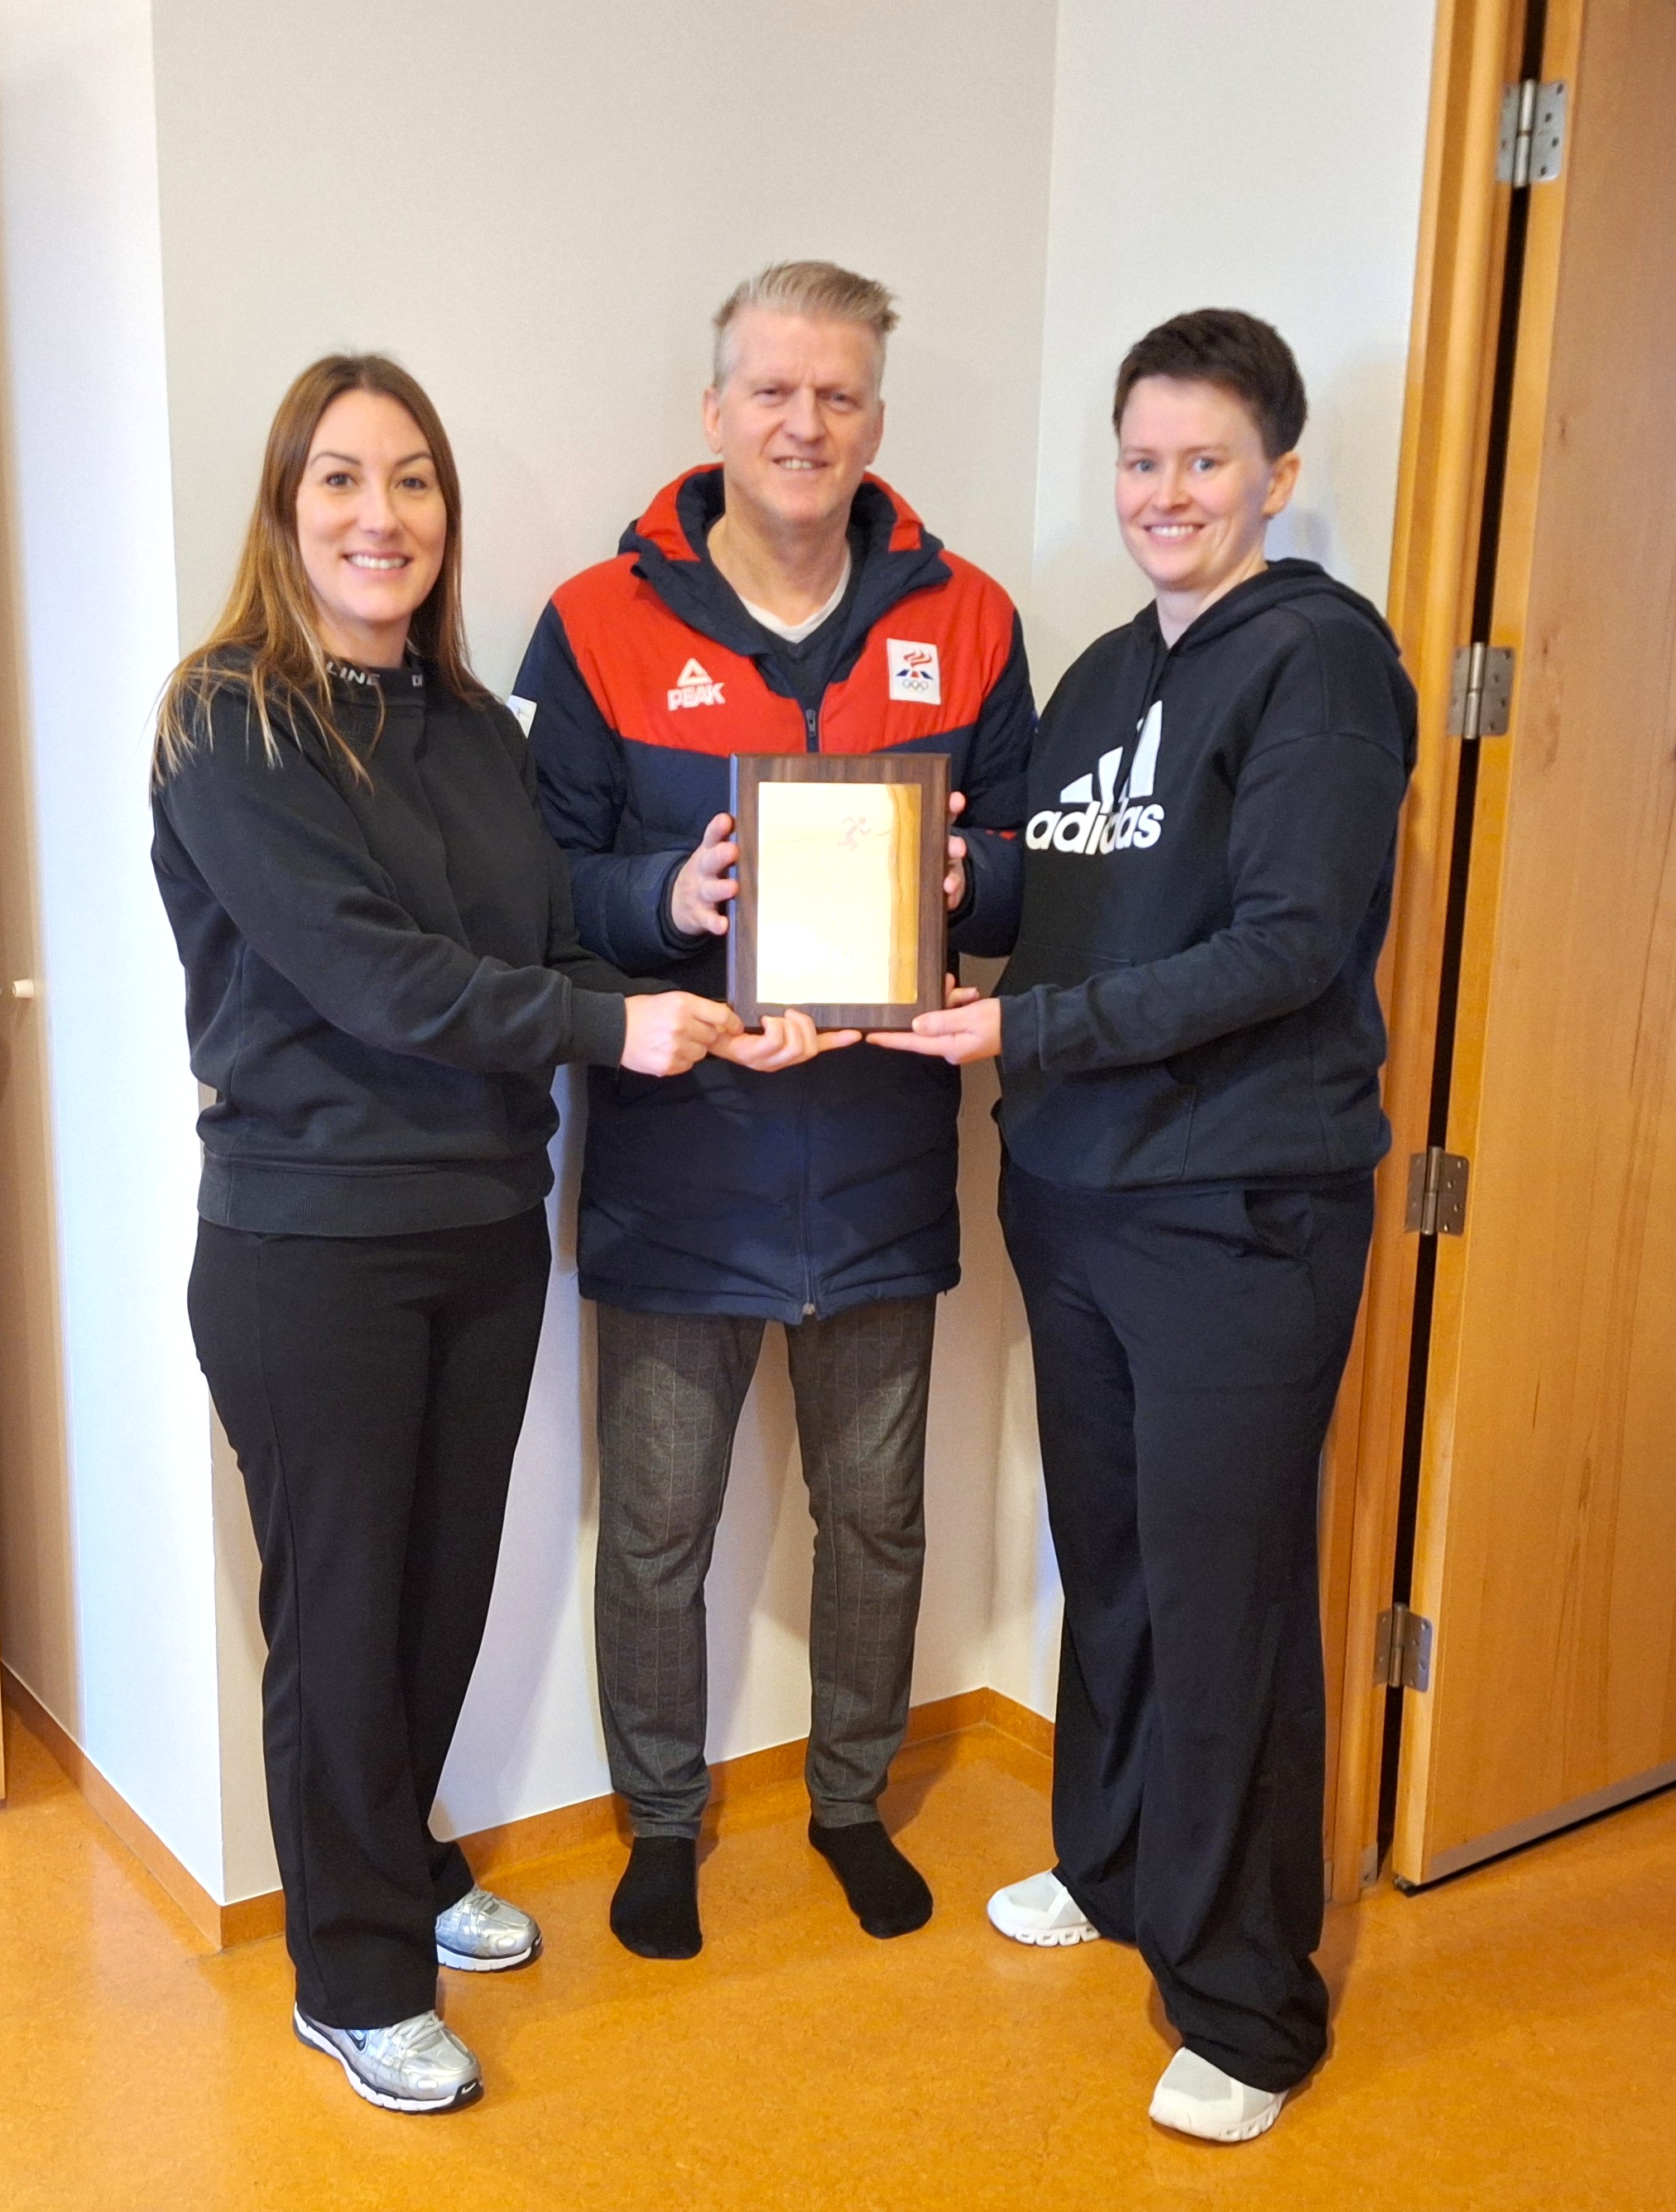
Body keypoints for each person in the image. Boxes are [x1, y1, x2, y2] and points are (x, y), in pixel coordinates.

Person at [151, 354, 821, 2114]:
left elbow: (539, 953)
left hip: (479, 1223)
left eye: (414, 482)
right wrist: (615, 1028)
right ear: (286, 506)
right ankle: (355, 1973)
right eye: (342, 479)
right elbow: (378, 977)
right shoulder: (227, 719)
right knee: (341, 1613)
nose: (381, 516)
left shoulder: (472, 728)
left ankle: (399, 1857)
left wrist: (705, 999)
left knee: (439, 1585)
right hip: (310, 1243)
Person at [873, 309, 1415, 2141]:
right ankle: (1109, 1866)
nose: (1164, 492)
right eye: (1139, 458)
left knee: (1223, 1594)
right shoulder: (1110, 671)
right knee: (1108, 1560)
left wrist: (1027, 1029)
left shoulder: (1320, 663)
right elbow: (1074, 887)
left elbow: (1285, 945)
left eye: (1203, 459)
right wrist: (963, 884)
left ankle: (1248, 2004)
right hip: (1078, 1192)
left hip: (1237, 1213)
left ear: (1276, 473)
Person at [512, 261, 1035, 1959]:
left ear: (875, 416)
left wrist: (967, 877)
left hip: (881, 1162)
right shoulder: (596, 622)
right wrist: (666, 894)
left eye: (838, 394)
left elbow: (1030, 867)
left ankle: (850, 1800)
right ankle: (661, 1823)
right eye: (773, 390)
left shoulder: (972, 618)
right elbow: (535, 882)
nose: (804, 423)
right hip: (681, 1163)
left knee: (875, 1516)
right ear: (715, 408)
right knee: (658, 1527)